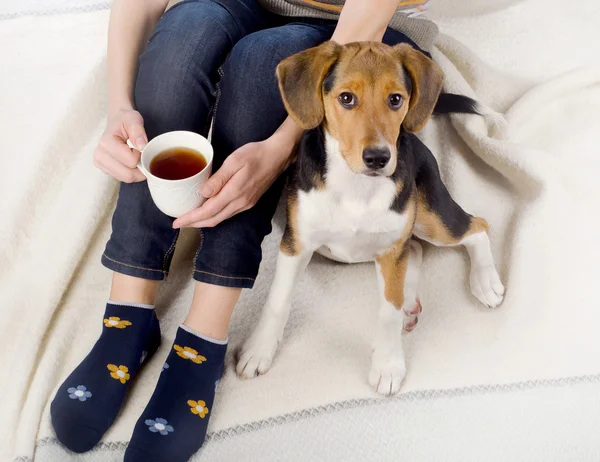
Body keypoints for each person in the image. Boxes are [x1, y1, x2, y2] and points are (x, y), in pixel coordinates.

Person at [49, 0, 438, 460]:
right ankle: (126, 318)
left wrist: (278, 148)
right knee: (185, 31)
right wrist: (117, 108)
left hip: (356, 30)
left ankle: (203, 338)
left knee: (259, 60)